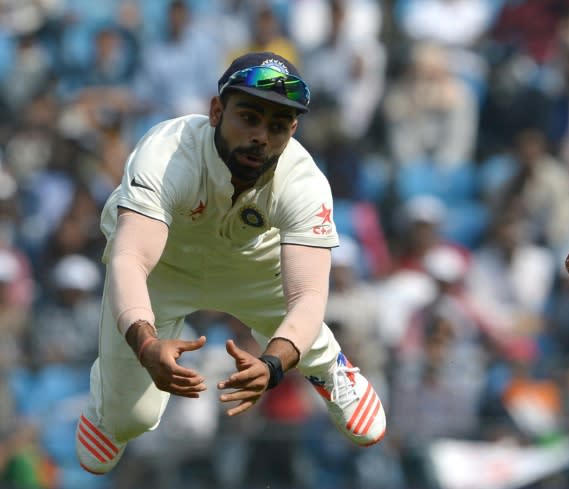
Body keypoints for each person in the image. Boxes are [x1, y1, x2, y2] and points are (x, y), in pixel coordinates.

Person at [74, 51, 387, 475]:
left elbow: (309, 296)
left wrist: (273, 365)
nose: (262, 136)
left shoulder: (304, 181)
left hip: (251, 270)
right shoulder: (168, 152)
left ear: (293, 131)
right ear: (216, 110)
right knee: (133, 420)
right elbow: (129, 259)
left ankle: (331, 369)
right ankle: (107, 397)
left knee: (301, 335)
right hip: (161, 272)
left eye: (278, 126)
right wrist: (146, 346)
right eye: (250, 118)